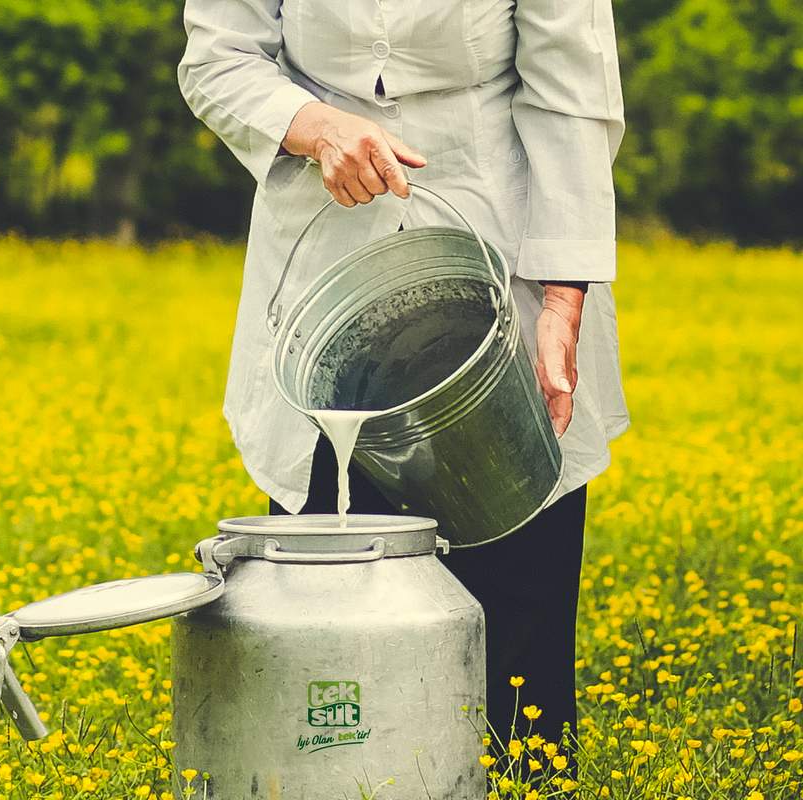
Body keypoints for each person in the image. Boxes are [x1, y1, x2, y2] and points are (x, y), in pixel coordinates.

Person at [177, 0, 628, 755]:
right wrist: (317, 126)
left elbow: (573, 96)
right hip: (323, 252)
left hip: (497, 241)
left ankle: (523, 767)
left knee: (514, 584)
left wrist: (562, 300)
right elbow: (217, 58)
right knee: (325, 592)